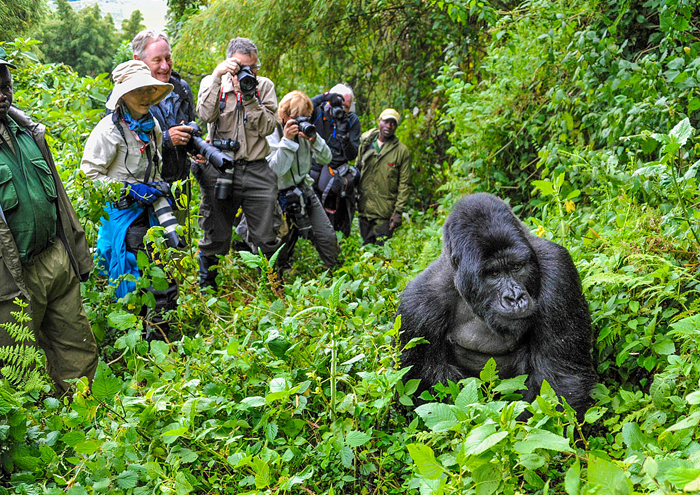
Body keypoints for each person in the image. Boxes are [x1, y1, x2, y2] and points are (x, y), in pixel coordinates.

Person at [0, 47, 98, 393]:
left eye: (5, 84)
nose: (1, 94)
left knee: (78, 352)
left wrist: (78, 255)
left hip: (55, 258)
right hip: (10, 279)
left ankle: (85, 426)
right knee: (17, 371)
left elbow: (61, 202)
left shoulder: (28, 133)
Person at [81, 60, 177, 338]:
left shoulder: (152, 125)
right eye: (139, 92)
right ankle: (132, 342)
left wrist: (157, 187)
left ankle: (160, 336)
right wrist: (126, 188)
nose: (146, 97)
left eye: (149, 91)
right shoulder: (108, 131)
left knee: (162, 274)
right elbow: (88, 175)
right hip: (124, 216)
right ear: (123, 96)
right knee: (131, 280)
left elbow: (154, 163)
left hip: (151, 212)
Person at [194, 37, 279, 290]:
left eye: (253, 67)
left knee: (266, 235)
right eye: (242, 67)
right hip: (222, 168)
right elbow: (204, 115)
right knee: (215, 233)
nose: (249, 72)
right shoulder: (214, 84)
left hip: (257, 168)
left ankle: (271, 285)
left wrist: (250, 96)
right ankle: (208, 288)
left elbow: (267, 127)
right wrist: (217, 75)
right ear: (230, 63)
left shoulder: (264, 86)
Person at [267, 91, 340, 270]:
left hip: (302, 189)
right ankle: (276, 279)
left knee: (326, 235)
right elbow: (277, 170)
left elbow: (326, 159)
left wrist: (315, 140)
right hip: (277, 194)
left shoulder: (305, 131)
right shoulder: (271, 132)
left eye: (306, 117)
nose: (302, 122)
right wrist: (288, 140)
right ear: (284, 115)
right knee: (279, 240)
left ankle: (337, 272)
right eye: (298, 118)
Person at [309, 83, 362, 237]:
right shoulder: (318, 112)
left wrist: (344, 135)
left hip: (336, 169)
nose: (343, 111)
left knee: (335, 186)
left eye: (347, 106)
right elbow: (298, 110)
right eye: (340, 105)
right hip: (314, 165)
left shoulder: (351, 120)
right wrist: (324, 97)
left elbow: (351, 155)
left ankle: (336, 234)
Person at [356, 108, 411, 245]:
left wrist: (398, 212)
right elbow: (357, 169)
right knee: (366, 249)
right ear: (379, 121)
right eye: (386, 122)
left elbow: (404, 184)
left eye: (393, 123)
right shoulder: (366, 143)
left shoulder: (401, 151)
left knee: (382, 253)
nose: (389, 126)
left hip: (385, 212)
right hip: (364, 209)